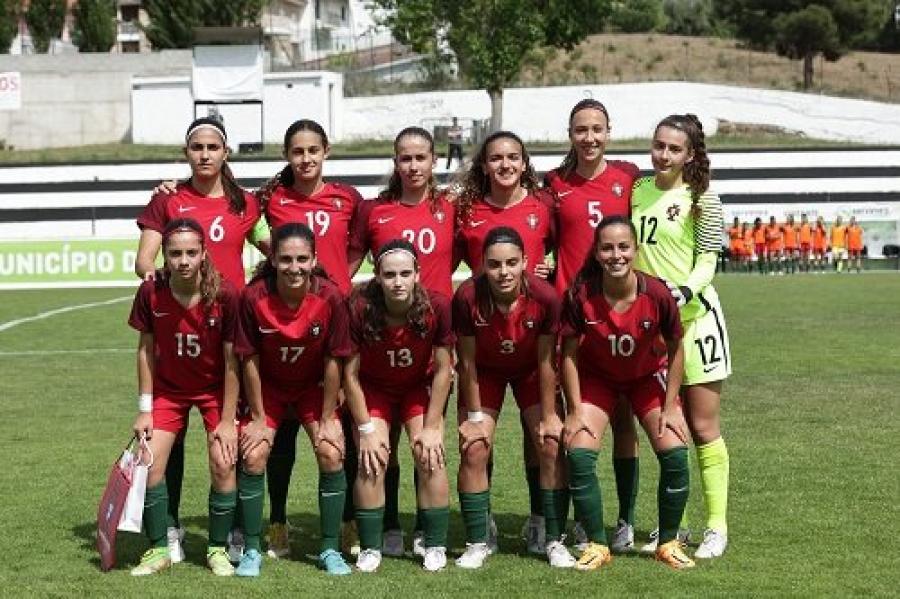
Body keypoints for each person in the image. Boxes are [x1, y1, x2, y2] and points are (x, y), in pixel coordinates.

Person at [135, 117, 263, 563]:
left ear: (226, 152)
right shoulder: (168, 200)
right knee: (168, 443)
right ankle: (168, 529)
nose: (204, 154)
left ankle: (236, 534)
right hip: (183, 329)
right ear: (186, 152)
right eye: (196, 146)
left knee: (235, 443)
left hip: (230, 335)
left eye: (213, 146)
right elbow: (144, 262)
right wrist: (167, 295)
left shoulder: (246, 203)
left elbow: (272, 246)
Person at [254, 119, 364, 559]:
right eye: (297, 151)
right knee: (281, 437)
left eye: (313, 150)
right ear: (287, 156)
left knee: (344, 429)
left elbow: (360, 246)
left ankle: (347, 522)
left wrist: (339, 282)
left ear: (326, 151)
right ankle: (277, 521)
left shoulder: (348, 198)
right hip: (286, 320)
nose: (305, 159)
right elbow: (231, 205)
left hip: (335, 319)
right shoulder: (271, 198)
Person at [558, 215, 694, 570]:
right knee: (580, 452)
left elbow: (677, 348)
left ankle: (668, 541)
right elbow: (568, 354)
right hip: (598, 379)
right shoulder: (582, 295)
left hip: (646, 378)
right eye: (607, 247)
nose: (616, 255)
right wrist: (573, 410)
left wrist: (671, 405)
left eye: (623, 247)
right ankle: (597, 545)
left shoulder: (657, 293)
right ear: (597, 252)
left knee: (675, 451)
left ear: (635, 249)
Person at [348, 127, 456, 556]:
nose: (413, 166)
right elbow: (348, 263)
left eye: (421, 158)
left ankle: (429, 535)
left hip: (431, 346)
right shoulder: (375, 211)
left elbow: (482, 248)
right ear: (395, 163)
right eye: (405, 158)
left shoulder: (453, 207)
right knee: (378, 450)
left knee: (429, 444)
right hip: (380, 344)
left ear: (433, 161)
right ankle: (387, 527)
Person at [543, 98, 642, 553]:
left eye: (597, 129)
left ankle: (624, 518)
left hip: (620, 316)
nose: (589, 137)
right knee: (572, 423)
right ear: (570, 134)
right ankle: (580, 521)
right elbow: (537, 239)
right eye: (581, 129)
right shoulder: (555, 184)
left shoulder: (628, 177)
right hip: (573, 320)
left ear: (609, 131)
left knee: (624, 420)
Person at [631, 114, 732, 559]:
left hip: (696, 322)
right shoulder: (636, 191)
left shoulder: (703, 197)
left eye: (674, 149)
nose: (663, 155)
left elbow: (709, 260)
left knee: (703, 425)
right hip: (652, 332)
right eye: (658, 146)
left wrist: (683, 291)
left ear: (690, 154)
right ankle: (677, 525)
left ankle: (716, 526)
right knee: (667, 428)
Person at [454, 130, 555, 553]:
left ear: (525, 162)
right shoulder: (466, 211)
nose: (505, 165)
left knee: (545, 440)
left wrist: (548, 271)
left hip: (535, 346)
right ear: (483, 165)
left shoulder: (544, 207)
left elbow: (566, 253)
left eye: (514, 156)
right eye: (496, 158)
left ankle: (540, 523)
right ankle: (483, 528)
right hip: (484, 346)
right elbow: (444, 260)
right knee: (476, 440)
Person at [233, 222, 352, 577]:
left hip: (312, 388)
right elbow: (249, 361)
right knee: (254, 455)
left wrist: (329, 416)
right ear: (273, 258)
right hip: (268, 389)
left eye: (302, 259)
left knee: (331, 452)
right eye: (286, 259)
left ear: (314, 259)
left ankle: (330, 549)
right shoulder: (253, 297)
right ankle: (253, 549)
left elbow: (335, 360)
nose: (295, 267)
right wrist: (256, 417)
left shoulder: (330, 297)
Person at [452, 226, 573, 570]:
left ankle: (552, 538)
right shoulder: (466, 297)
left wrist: (550, 416)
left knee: (550, 442)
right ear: (482, 265)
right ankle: (478, 540)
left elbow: (548, 360)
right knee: (474, 447)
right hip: (485, 373)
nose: (503, 272)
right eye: (494, 265)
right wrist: (474, 420)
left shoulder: (546, 297)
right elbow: (469, 362)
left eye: (511, 263)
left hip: (531, 372)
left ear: (525, 262)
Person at [128, 218, 241, 577]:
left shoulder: (225, 294)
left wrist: (226, 420)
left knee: (223, 461)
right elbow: (145, 350)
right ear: (164, 255)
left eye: (192, 252)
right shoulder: (151, 291)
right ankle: (159, 548)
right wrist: (145, 409)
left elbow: (231, 361)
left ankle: (217, 549)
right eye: (175, 253)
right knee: (148, 463)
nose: (183, 260)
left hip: (213, 392)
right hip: (168, 392)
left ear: (204, 253)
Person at [344, 240, 455, 572]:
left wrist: (433, 427)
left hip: (416, 389)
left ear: (418, 274)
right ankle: (370, 547)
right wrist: (364, 429)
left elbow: (443, 370)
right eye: (389, 274)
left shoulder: (436, 306)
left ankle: (435, 544)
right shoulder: (360, 306)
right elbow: (349, 375)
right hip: (374, 389)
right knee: (371, 458)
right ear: (376, 275)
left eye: (405, 273)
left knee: (429, 455)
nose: (398, 281)